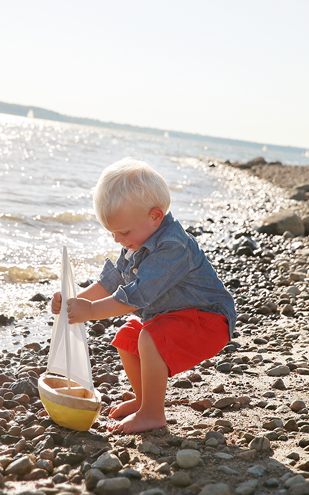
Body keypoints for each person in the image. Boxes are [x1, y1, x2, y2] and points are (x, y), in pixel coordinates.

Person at [51, 158, 235, 434]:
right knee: (128, 337)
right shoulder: (137, 239)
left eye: (122, 231)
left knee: (148, 337)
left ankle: (152, 413)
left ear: (155, 216)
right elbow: (112, 280)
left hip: (209, 319)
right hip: (173, 316)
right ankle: (144, 401)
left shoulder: (172, 247)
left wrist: (89, 312)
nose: (117, 239)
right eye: (112, 232)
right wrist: (73, 303)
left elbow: (135, 296)